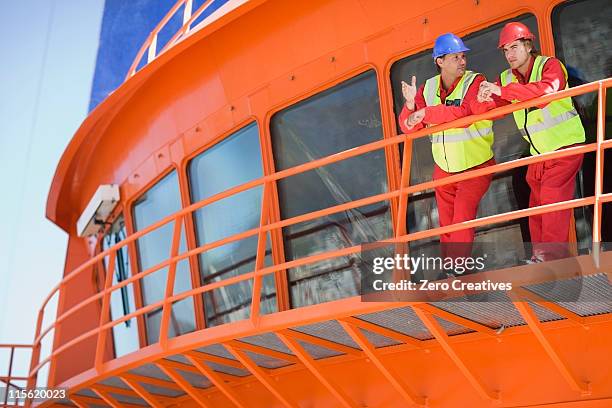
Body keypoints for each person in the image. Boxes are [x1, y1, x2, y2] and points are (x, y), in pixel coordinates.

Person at [476, 22, 585, 262]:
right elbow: (499, 106)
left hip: (567, 146)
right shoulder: (506, 78)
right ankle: (539, 256)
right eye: (505, 50)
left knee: (551, 195)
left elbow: (546, 92)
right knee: (535, 200)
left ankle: (552, 257)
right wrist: (484, 98)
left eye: (514, 47)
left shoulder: (551, 65)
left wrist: (502, 91)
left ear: (528, 45)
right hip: (540, 153)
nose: (510, 54)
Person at [398, 33, 495, 263]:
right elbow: (408, 127)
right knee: (447, 222)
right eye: (455, 57)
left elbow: (466, 113)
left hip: (476, 164)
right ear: (439, 61)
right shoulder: (427, 89)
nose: (462, 61)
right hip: (444, 168)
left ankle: (458, 265)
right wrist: (411, 105)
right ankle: (450, 267)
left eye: (463, 56)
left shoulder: (476, 81)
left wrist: (426, 113)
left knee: (462, 215)